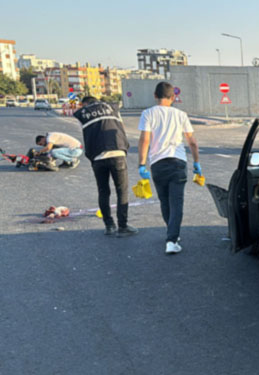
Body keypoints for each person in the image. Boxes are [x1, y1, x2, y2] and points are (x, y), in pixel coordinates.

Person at [137, 81, 201, 255]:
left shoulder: (148, 114)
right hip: (178, 162)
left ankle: (171, 235)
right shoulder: (181, 115)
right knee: (177, 202)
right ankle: (172, 239)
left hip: (157, 163)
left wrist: (142, 164)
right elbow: (192, 141)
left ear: (155, 95)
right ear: (173, 97)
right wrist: (196, 163)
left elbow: (145, 140)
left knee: (165, 201)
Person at [73, 96, 138, 237]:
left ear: (85, 104)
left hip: (97, 156)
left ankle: (109, 226)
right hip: (117, 152)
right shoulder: (112, 107)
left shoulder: (82, 114)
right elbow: (121, 128)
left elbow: (87, 134)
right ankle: (123, 226)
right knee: (122, 191)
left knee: (103, 191)